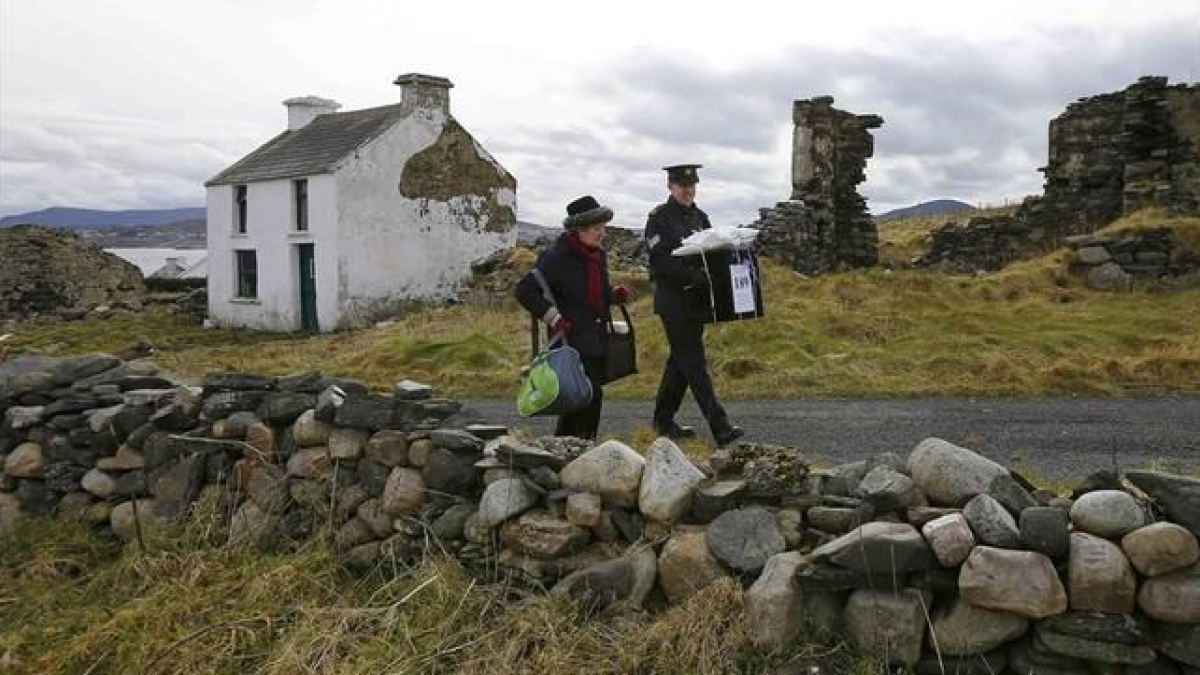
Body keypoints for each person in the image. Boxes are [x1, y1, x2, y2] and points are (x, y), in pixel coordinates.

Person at [515, 195, 630, 439]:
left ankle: (565, 449)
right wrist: (554, 317)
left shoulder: (597, 256)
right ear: (580, 229)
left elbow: (594, 293)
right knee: (589, 395)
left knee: (578, 399)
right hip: (571, 342)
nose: (603, 234)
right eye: (597, 229)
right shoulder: (556, 258)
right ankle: (582, 447)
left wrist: (613, 295)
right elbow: (524, 291)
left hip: (597, 338)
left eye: (603, 228)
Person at [644, 164, 744, 446]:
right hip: (673, 302)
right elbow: (660, 260)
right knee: (694, 362)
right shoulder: (659, 218)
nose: (688, 190)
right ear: (670, 187)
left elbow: (711, 252)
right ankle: (719, 426)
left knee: (680, 362)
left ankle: (662, 421)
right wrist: (691, 275)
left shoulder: (701, 217)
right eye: (682, 186)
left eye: (691, 186)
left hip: (697, 301)